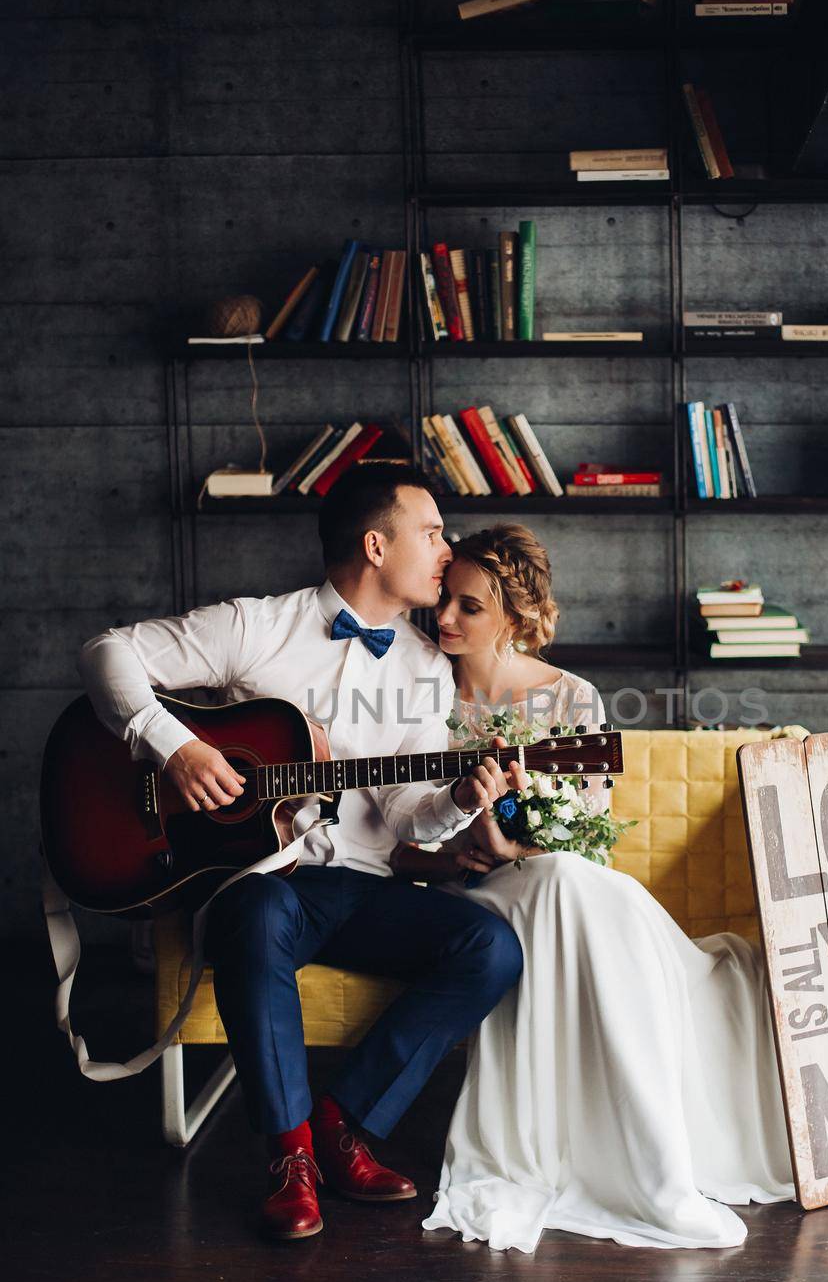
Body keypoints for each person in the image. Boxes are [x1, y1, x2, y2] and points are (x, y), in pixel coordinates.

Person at [78, 464, 529, 1241]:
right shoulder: (261, 626)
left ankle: (341, 1121)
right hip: (252, 880)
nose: (445, 548)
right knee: (256, 912)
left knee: (488, 946)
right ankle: (288, 1158)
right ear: (376, 544)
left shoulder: (424, 669)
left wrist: (457, 801)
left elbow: (402, 816)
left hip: (355, 885)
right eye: (431, 533)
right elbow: (107, 652)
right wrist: (176, 749)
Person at [389, 524, 796, 1253]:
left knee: (570, 879)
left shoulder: (570, 697)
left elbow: (586, 829)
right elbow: (392, 840)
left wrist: (514, 835)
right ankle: (630, 1163)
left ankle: (657, 1158)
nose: (445, 619)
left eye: (468, 607)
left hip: (550, 876)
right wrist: (464, 845)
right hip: (461, 898)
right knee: (560, 886)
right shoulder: (413, 689)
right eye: (444, 601)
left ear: (514, 617)